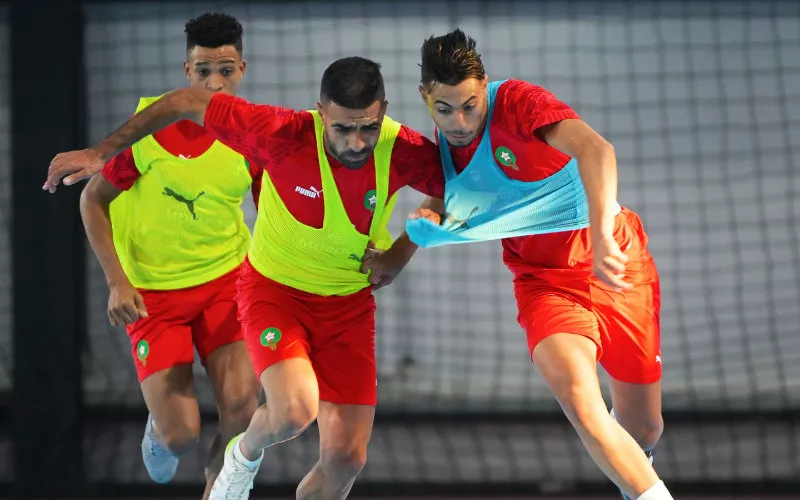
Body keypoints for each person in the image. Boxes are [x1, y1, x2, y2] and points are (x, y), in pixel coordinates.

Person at [44, 56, 445, 499]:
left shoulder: (404, 148)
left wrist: (401, 253)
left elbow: (453, 188)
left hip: (349, 305)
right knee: (292, 410)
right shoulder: (278, 132)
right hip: (275, 294)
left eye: (367, 127)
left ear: (383, 110)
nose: (355, 142)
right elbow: (182, 102)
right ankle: (242, 457)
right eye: (342, 129)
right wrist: (101, 153)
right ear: (320, 112)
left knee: (347, 458)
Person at [366, 29, 672, 500]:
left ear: (484, 84)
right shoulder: (445, 139)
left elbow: (598, 151)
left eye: (469, 104)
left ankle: (636, 465)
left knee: (643, 428)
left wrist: (605, 239)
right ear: (424, 95)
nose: (460, 120)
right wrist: (399, 253)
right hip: (544, 283)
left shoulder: (518, 102)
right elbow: (453, 192)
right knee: (580, 399)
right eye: (444, 108)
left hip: (615, 260)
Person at [66, 13, 262, 498]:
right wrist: (117, 281)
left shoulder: (254, 134)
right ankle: (159, 433)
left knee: (243, 409)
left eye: (226, 70)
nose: (214, 83)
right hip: (153, 295)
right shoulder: (148, 129)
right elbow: (92, 201)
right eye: (202, 71)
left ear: (242, 68)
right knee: (182, 433)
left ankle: (221, 487)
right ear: (185, 71)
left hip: (224, 284)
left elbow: (275, 214)